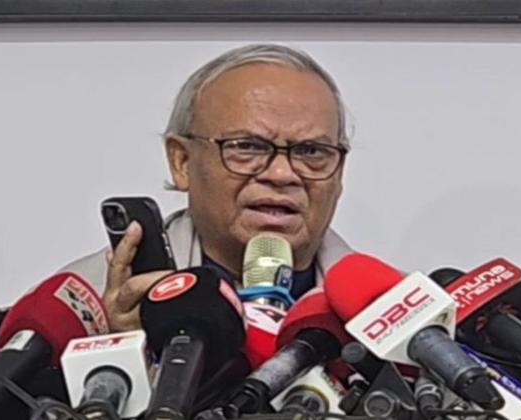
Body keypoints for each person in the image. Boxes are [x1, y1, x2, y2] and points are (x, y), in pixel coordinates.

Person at [61, 43, 354, 332]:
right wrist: (129, 348)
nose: (281, 174)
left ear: (339, 172)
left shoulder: (379, 320)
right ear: (182, 162)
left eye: (311, 152)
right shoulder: (81, 311)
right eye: (247, 147)